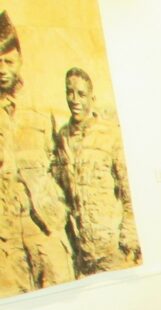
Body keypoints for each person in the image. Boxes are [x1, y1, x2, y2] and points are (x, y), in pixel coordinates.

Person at [0, 11, 72, 294]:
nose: (3, 68)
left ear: (20, 61)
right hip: (6, 239)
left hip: (45, 228)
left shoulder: (40, 112)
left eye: (8, 61)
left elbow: (63, 168)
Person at [54, 67, 141, 276]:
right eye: (70, 92)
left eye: (81, 94)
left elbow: (128, 189)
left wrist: (128, 237)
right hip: (82, 252)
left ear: (92, 98)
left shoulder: (109, 135)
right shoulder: (63, 138)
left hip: (112, 249)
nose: (75, 99)